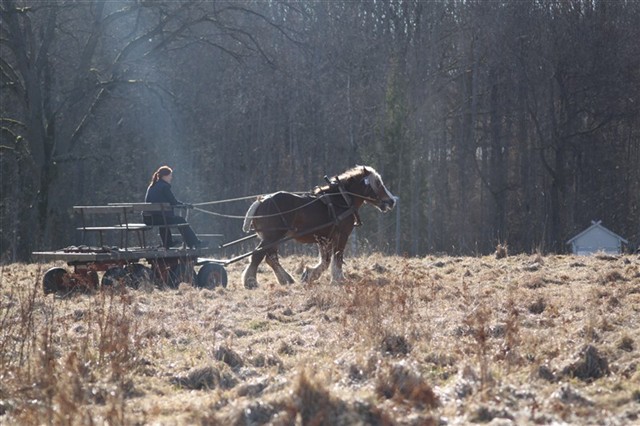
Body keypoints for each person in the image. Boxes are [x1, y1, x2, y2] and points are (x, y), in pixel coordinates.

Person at [144, 166, 207, 249]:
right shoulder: (164, 187)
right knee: (181, 220)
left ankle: (168, 243)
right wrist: (185, 205)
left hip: (149, 219)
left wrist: (182, 205)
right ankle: (195, 243)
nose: (171, 177)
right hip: (158, 218)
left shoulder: (152, 186)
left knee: (164, 220)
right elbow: (173, 202)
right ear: (164, 176)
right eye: (170, 175)